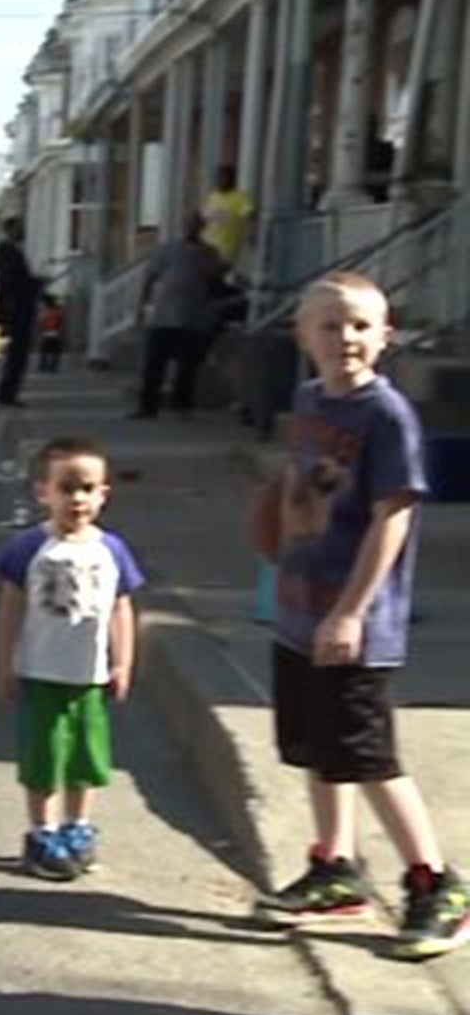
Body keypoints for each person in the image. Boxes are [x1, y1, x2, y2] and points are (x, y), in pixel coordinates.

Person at [252, 271, 470, 960]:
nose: (344, 337)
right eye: (329, 324)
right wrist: (275, 535)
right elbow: (299, 482)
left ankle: (436, 884)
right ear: (303, 335)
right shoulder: (311, 398)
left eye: (358, 325)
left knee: (369, 756)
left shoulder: (388, 416)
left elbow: (392, 520)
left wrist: (350, 613)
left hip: (355, 624)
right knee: (320, 748)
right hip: (299, 606)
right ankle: (334, 871)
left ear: (385, 335)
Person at [0, 437, 143, 881]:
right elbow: (9, 608)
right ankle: (42, 831)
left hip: (90, 676)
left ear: (103, 494)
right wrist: (6, 662)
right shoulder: (29, 548)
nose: (76, 498)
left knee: (85, 757)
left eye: (87, 488)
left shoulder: (112, 550)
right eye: (66, 487)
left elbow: (122, 608)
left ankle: (78, 828)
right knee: (43, 757)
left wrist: (123, 662)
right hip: (41, 673)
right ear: (44, 491)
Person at [132, 210, 226, 421]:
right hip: (164, 314)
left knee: (187, 365)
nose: (191, 229)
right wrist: (142, 305)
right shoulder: (167, 249)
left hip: (193, 316)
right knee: (155, 362)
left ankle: (181, 405)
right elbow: (151, 277)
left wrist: (207, 264)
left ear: (202, 228)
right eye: (188, 225)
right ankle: (148, 407)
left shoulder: (209, 251)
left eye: (196, 225)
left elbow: (215, 278)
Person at [0, 216, 40, 408]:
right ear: (11, 229)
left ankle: (7, 392)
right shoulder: (7, 251)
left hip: (16, 306)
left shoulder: (10, 251)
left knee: (16, 353)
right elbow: (12, 280)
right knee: (17, 353)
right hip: (16, 308)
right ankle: (7, 394)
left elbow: (19, 279)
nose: (24, 232)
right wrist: (33, 285)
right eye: (20, 228)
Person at [201, 164, 255, 280]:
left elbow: (250, 215)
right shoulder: (213, 197)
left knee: (218, 276)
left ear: (232, 180)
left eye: (224, 178)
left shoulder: (240, 198)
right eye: (219, 178)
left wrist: (251, 233)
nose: (220, 181)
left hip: (227, 250)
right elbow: (205, 219)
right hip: (208, 246)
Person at [36, 296, 67, 374]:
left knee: (44, 352)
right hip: (56, 333)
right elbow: (61, 323)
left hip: (46, 333)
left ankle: (43, 366)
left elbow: (42, 323)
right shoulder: (58, 312)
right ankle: (52, 367)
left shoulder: (46, 312)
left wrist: (41, 332)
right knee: (55, 352)